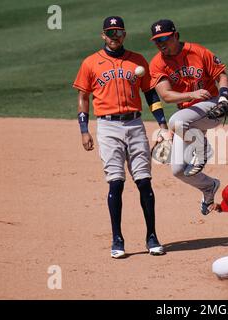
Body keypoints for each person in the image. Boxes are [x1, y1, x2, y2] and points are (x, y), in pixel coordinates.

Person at [73, 16, 170, 258]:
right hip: (107, 127)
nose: (114, 37)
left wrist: (162, 123)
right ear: (103, 35)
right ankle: (117, 239)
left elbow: (150, 94)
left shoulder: (137, 60)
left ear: (124, 34)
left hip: (135, 124)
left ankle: (152, 236)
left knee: (144, 182)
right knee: (116, 182)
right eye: (110, 33)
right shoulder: (91, 63)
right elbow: (83, 97)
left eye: (118, 32)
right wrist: (84, 130)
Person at [148, 19, 228, 215]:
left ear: (176, 35)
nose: (161, 43)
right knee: (178, 170)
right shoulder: (157, 63)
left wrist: (223, 99)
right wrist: (191, 95)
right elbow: (167, 95)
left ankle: (202, 149)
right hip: (190, 117)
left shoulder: (198, 52)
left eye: (165, 39)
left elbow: (222, 76)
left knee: (176, 121)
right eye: (156, 41)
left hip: (211, 107)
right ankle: (209, 187)